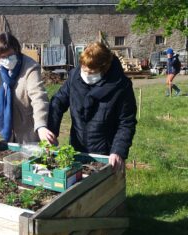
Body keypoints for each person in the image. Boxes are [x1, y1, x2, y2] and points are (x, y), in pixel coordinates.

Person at [48, 42, 137, 172]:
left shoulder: (121, 86)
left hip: (105, 152)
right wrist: (51, 131)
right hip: (77, 146)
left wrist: (118, 150)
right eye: (84, 70)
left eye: (92, 72)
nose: (87, 75)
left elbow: (126, 122)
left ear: (104, 68)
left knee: (102, 189)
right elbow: (58, 102)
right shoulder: (74, 77)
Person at [0, 32, 56, 144]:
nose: (7, 59)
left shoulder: (30, 67)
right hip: (8, 129)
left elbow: (39, 97)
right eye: (3, 57)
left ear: (17, 51)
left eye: (10, 55)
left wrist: (41, 126)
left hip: (28, 129)